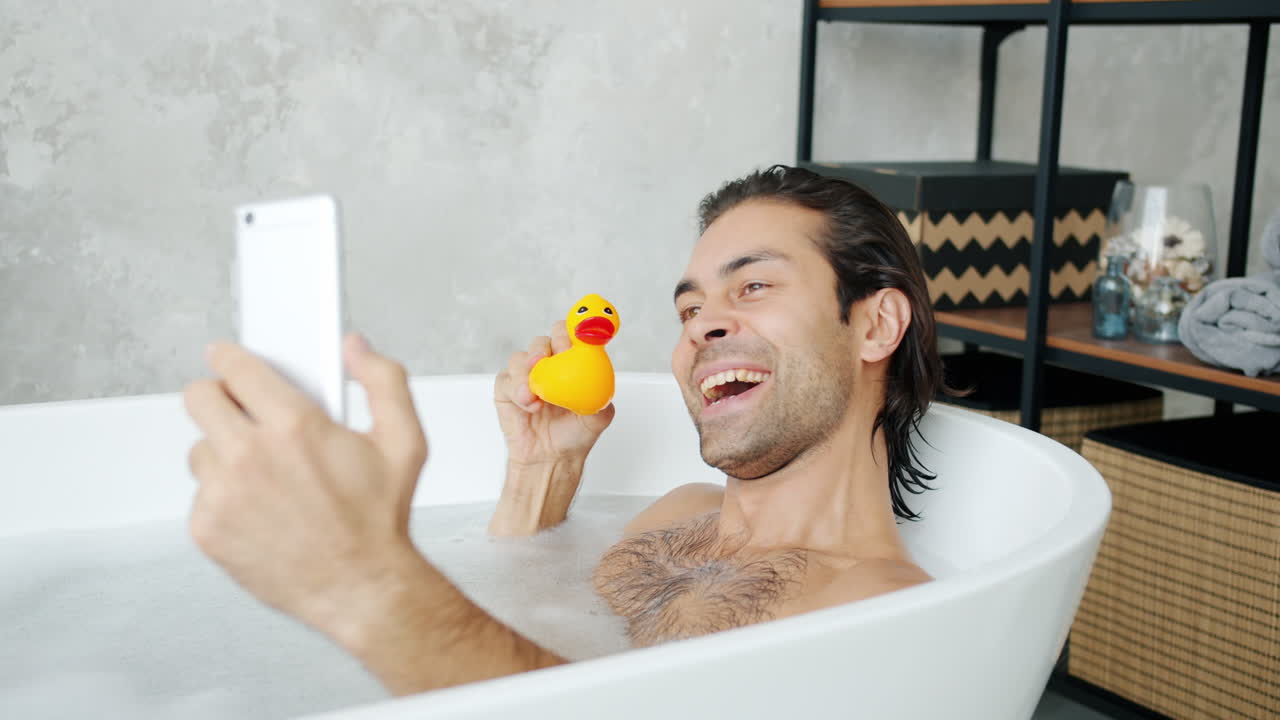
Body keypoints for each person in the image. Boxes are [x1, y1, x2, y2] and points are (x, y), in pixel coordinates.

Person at [183, 165, 946, 696]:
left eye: (753, 285)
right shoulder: (674, 517)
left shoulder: (884, 606)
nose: (704, 323)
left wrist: (362, 583)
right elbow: (530, 628)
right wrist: (535, 479)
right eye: (689, 309)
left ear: (875, 322)